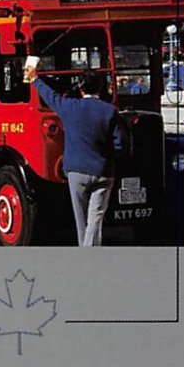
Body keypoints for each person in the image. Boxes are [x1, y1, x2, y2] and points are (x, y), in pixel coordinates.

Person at [26, 67, 126, 246]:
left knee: (81, 219)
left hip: (76, 171)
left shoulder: (69, 107)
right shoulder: (110, 111)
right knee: (96, 219)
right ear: (100, 88)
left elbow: (50, 96)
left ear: (81, 89)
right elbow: (120, 145)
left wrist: (35, 79)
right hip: (103, 170)